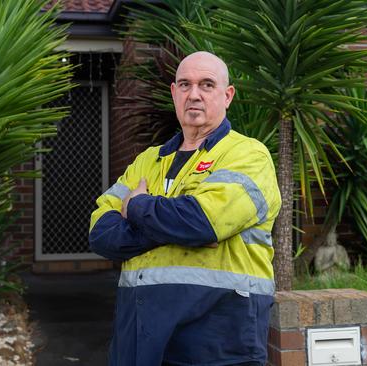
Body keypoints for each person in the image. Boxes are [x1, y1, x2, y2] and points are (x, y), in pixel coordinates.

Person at [89, 51, 281, 366]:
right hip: (138, 341)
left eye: (207, 85)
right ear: (174, 92)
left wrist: (137, 205)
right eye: (185, 84)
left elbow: (200, 221)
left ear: (227, 95)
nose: (194, 94)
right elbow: (101, 234)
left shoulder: (248, 156)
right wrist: (177, 230)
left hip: (217, 340)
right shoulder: (148, 160)